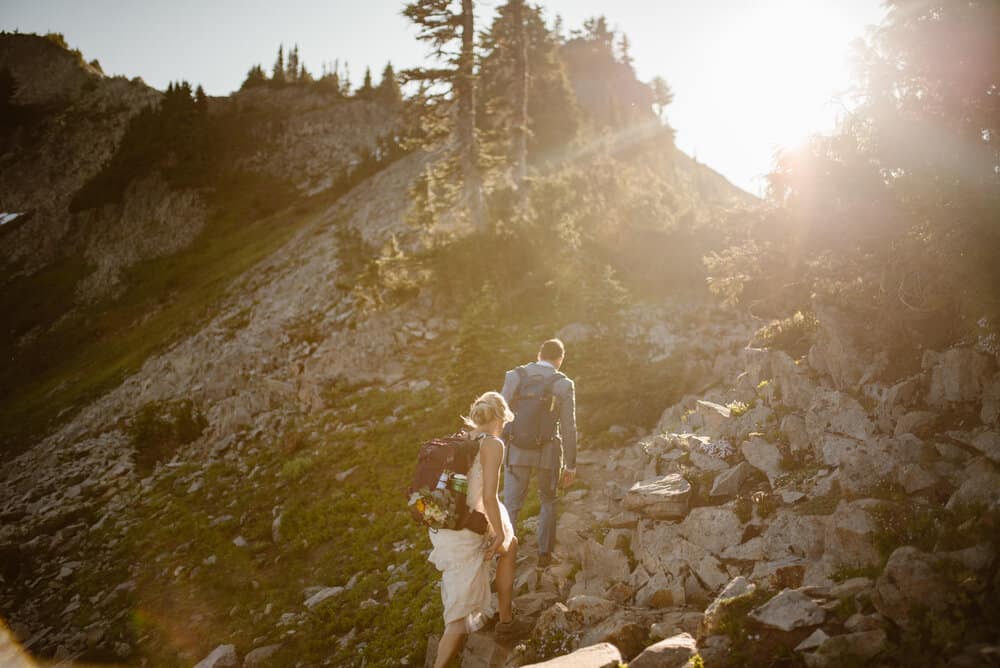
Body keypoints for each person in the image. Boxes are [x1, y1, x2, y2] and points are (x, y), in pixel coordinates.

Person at [427, 392, 519, 668]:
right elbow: (489, 497)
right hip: (472, 525)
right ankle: (504, 622)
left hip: (450, 521)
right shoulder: (493, 444)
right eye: (503, 420)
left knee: (510, 547)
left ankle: (505, 619)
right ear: (499, 419)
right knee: (458, 616)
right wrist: (499, 533)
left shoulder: (461, 439)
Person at [501, 338, 577, 568]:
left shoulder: (515, 376)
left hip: (516, 450)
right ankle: (544, 554)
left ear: (538, 354)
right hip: (548, 452)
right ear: (560, 359)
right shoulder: (563, 383)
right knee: (548, 500)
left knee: (512, 505)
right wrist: (571, 464)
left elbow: (499, 412)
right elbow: (568, 426)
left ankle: (505, 557)